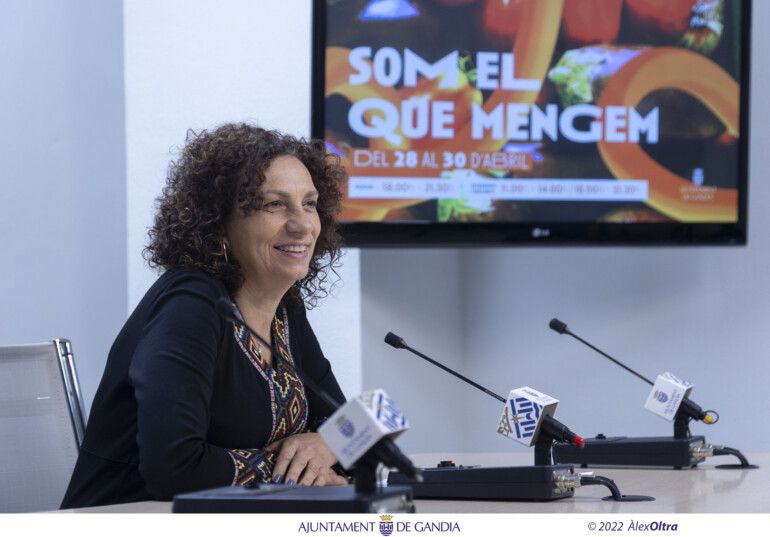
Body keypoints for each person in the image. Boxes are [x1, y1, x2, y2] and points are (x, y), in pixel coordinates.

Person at [61, 124, 350, 508]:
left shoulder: (284, 309)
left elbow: (367, 422)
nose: (302, 224)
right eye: (274, 205)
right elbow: (174, 469)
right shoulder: (191, 304)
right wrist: (294, 474)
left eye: (309, 203)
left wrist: (328, 442)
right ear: (218, 223)